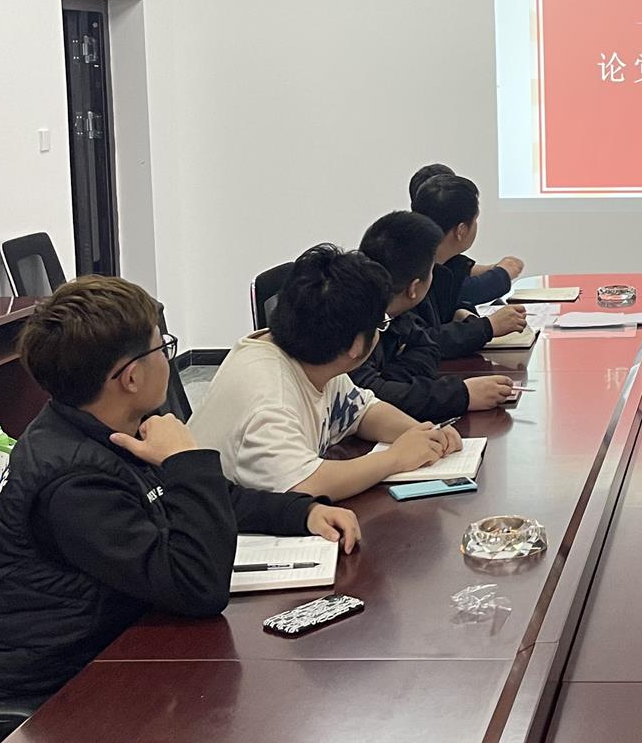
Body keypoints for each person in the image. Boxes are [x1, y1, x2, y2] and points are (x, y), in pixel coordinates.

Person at [0, 275, 359, 743]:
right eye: (163, 347)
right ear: (131, 378)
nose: (168, 358)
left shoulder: (105, 428)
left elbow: (210, 501)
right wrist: (187, 461)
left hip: (100, 666)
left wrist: (302, 510)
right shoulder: (75, 483)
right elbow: (197, 588)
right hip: (29, 717)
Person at [189, 243, 460, 501]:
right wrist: (395, 458)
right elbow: (306, 484)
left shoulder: (314, 356)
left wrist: (422, 435)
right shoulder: (270, 399)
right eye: (381, 324)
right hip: (225, 526)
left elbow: (362, 411)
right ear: (356, 345)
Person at [353, 209, 517, 420]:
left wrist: (389, 378)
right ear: (414, 288)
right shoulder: (351, 321)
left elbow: (427, 348)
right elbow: (366, 397)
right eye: (431, 271)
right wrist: (461, 395)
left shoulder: (395, 311)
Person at [412, 172, 527, 356]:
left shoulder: (439, 265)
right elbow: (417, 342)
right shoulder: (410, 272)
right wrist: (488, 326)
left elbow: (451, 305)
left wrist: (462, 311)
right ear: (461, 230)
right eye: (475, 219)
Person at [409, 162, 524, 307]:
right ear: (461, 230)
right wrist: (503, 273)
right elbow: (457, 292)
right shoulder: (415, 269)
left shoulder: (428, 252)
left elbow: (457, 270)